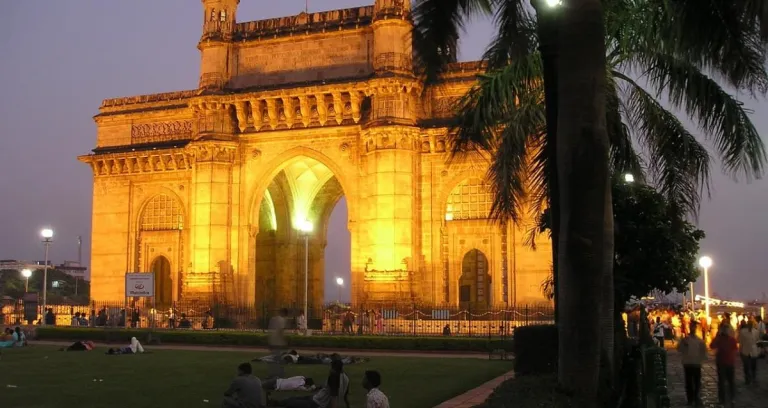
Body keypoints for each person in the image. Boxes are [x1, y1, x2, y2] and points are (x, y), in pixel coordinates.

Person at [280, 359, 349, 408]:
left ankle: (275, 402)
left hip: (317, 403)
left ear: (333, 368)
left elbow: (334, 396)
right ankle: (276, 402)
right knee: (292, 399)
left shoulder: (333, 377)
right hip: (315, 398)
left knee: (291, 403)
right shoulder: (346, 378)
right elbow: (345, 395)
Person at [677, 321, 707, 406]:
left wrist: (701, 359)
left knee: (697, 382)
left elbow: (703, 351)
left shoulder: (699, 340)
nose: (693, 328)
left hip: (696, 363)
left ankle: (696, 396)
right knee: (689, 382)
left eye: (694, 327)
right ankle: (690, 398)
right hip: (688, 363)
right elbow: (679, 349)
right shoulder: (685, 339)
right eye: (692, 326)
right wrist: (683, 343)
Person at [710, 328, 738, 406]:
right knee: (729, 382)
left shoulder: (721, 339)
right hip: (727, 362)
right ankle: (730, 398)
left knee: (724, 382)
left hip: (723, 362)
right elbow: (735, 349)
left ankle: (723, 399)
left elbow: (712, 345)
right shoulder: (730, 339)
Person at [737, 320, 759, 384]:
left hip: (753, 351)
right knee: (746, 366)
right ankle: (747, 379)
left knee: (753, 366)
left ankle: (753, 378)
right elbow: (740, 341)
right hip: (745, 351)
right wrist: (740, 350)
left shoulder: (756, 332)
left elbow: (757, 341)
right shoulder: (743, 332)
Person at [268, 308, 288, 378]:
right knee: (279, 359)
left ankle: (273, 373)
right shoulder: (282, 320)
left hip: (272, 341)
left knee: (274, 358)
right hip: (279, 342)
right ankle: (279, 374)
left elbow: (270, 330)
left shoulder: (273, 319)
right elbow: (281, 331)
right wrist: (284, 341)